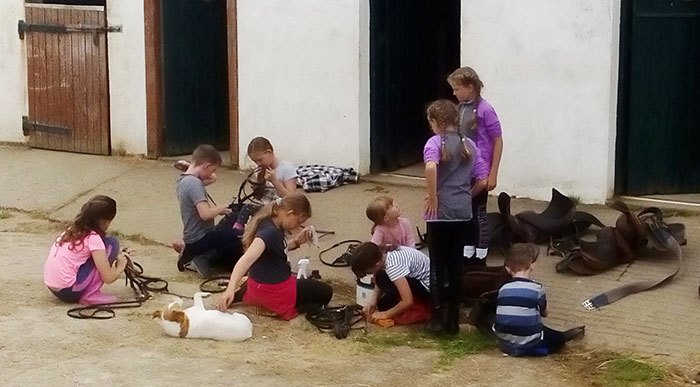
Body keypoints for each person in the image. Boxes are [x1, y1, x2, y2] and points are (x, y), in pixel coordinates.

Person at [423, 99, 487, 335]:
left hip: (438, 213)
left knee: (437, 264)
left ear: (436, 122)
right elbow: (483, 180)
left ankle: (437, 317)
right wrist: (466, 196)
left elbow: (431, 168)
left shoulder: (434, 143)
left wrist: (433, 197)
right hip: (462, 211)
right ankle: (454, 321)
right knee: (456, 264)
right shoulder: (469, 144)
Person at [217, 193, 333, 320]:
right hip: (275, 292)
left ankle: (248, 295)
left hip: (259, 284)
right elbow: (247, 259)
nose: (296, 227)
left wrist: (296, 242)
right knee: (325, 292)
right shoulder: (269, 232)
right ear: (290, 213)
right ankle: (284, 308)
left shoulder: (269, 222)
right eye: (298, 222)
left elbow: (275, 249)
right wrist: (230, 288)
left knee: (308, 286)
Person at [448, 67, 503, 263]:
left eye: (457, 89)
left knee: (478, 211)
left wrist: (492, 173)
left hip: (480, 169)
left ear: (470, 87)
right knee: (466, 208)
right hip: (464, 169)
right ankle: (467, 249)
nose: (454, 93)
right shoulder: (461, 107)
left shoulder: (485, 110)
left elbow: (498, 140)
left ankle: (481, 253)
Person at [494, 243, 585, 356]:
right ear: (532, 266)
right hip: (529, 340)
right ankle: (541, 346)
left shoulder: (502, 289)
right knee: (556, 339)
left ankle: (517, 348)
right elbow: (545, 313)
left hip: (505, 341)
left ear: (507, 269)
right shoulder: (537, 289)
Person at [44, 195, 127, 305]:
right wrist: (121, 266)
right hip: (70, 291)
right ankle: (90, 295)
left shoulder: (71, 231)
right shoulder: (93, 238)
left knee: (105, 247)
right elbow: (108, 277)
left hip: (54, 287)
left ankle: (85, 290)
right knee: (112, 243)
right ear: (104, 222)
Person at [176, 145, 243, 278]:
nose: (213, 172)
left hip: (195, 237)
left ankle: (198, 255)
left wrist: (192, 167)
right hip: (200, 238)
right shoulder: (194, 184)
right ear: (206, 166)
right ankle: (201, 259)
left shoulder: (183, 180)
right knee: (238, 236)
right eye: (213, 169)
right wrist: (219, 209)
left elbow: (212, 178)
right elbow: (205, 214)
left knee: (232, 222)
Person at [351, 242, 430, 323]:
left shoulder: (392, 266)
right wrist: (373, 302)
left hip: (429, 289)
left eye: (369, 272)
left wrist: (385, 314)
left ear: (376, 264)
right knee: (383, 304)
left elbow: (408, 301)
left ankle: (420, 308)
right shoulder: (383, 254)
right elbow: (379, 281)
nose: (369, 274)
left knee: (381, 278)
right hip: (420, 280)